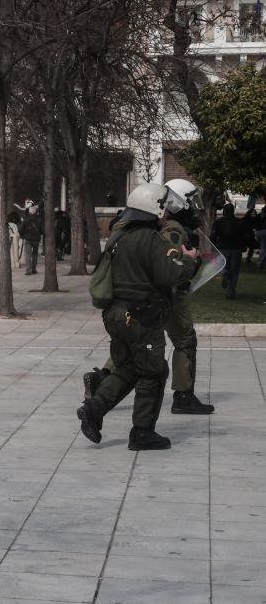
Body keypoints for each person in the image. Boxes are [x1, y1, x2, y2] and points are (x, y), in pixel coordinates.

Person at [76, 183, 200, 451]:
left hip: (115, 315)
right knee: (154, 372)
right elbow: (170, 274)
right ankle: (142, 433)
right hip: (141, 316)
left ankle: (94, 409)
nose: (165, 211)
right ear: (153, 207)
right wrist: (189, 260)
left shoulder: (119, 235)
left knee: (129, 368)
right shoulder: (150, 239)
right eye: (162, 206)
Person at [211, 204, 245, 299]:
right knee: (234, 271)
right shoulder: (239, 222)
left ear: (223, 211)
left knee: (221, 265)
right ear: (233, 211)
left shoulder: (218, 222)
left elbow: (213, 235)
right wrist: (244, 246)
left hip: (223, 247)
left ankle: (224, 272)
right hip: (236, 249)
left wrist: (214, 246)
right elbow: (244, 236)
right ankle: (230, 292)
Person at [20, 204, 42, 275]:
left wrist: (23, 235)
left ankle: (28, 270)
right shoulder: (39, 219)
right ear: (35, 212)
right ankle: (34, 269)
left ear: (29, 212)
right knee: (35, 254)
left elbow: (20, 229)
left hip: (28, 238)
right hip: (36, 239)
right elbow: (41, 230)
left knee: (28, 255)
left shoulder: (26, 219)